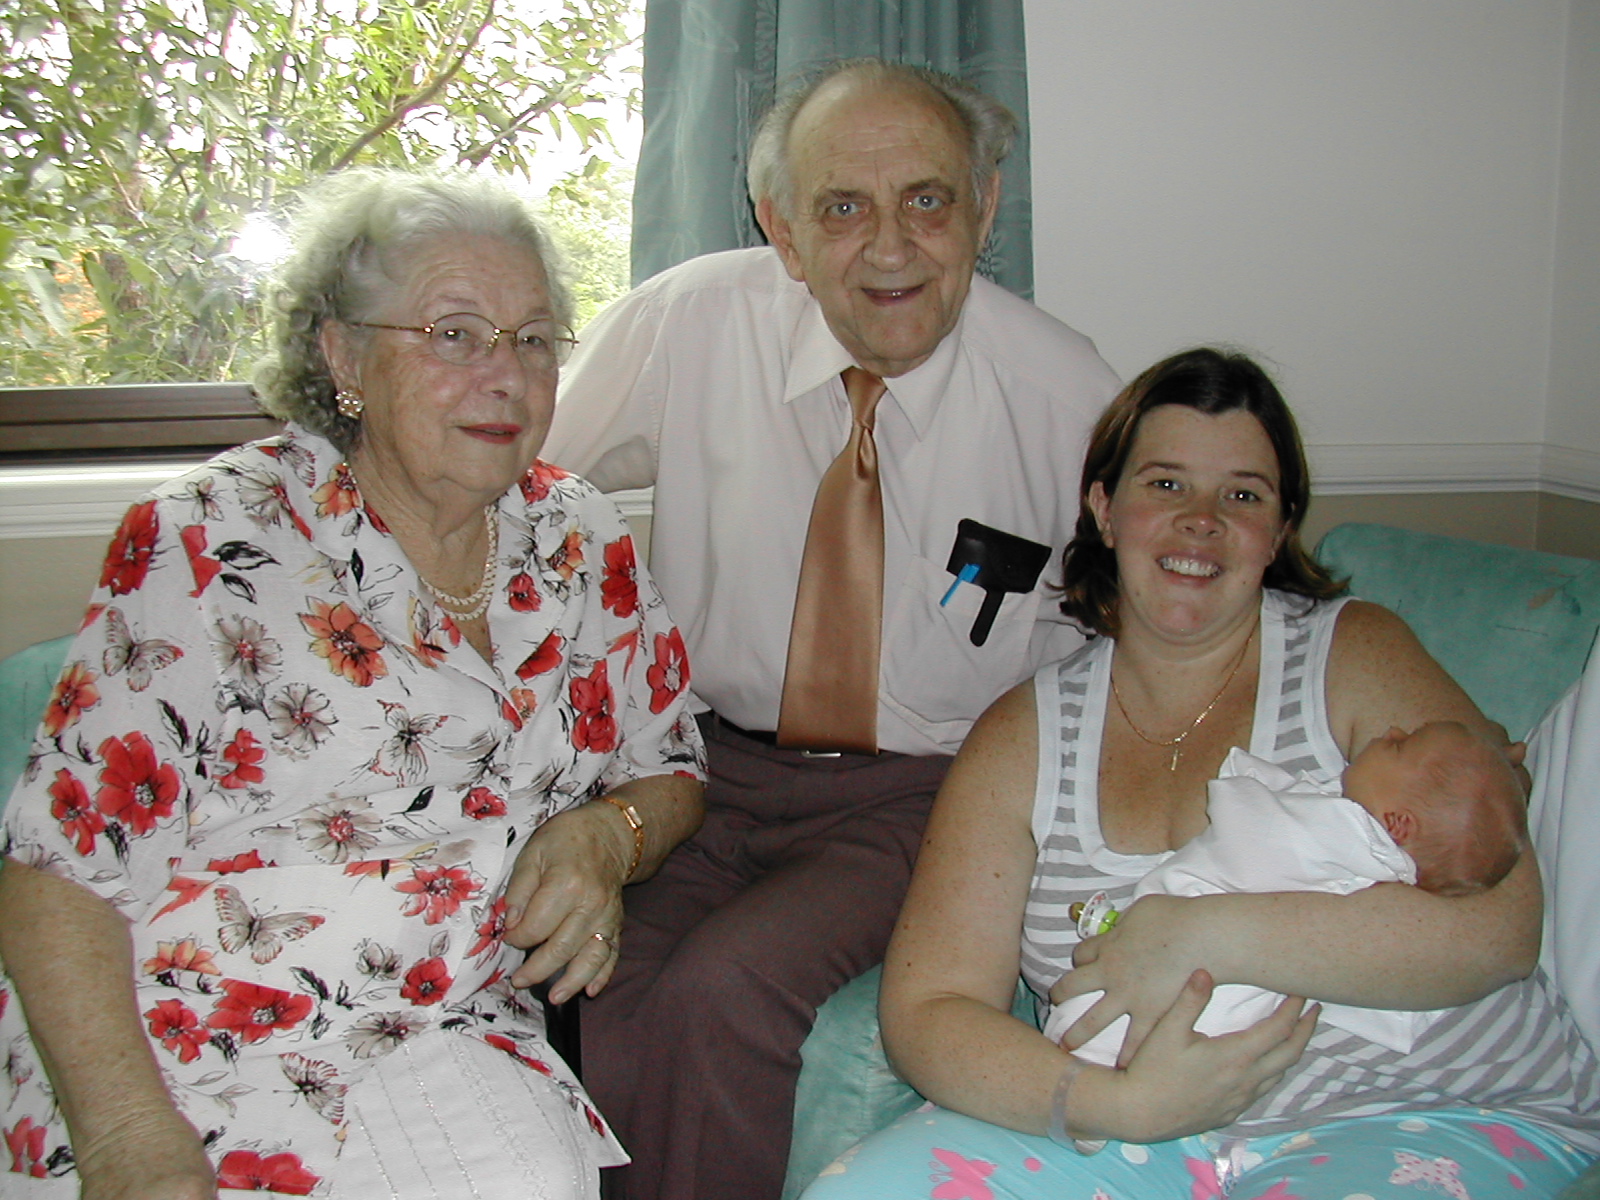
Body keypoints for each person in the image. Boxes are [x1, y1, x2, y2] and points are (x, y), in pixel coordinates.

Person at [0, 169, 707, 1200]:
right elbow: (53, 871)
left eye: (533, 338)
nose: (505, 375)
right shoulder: (209, 541)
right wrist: (125, 1137)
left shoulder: (582, 536)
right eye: (455, 334)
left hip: (440, 1028)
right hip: (175, 1042)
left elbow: (674, 767)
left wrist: (610, 837)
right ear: (343, 356)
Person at [801, 347, 1600, 1200]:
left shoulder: (1353, 654)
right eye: (1166, 485)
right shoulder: (1020, 737)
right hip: (1137, 1134)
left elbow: (1502, 930)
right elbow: (931, 1010)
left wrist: (1201, 935)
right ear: (1105, 510)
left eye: (1243, 496)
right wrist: (1118, 1102)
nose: (1202, 521)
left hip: (1422, 1110)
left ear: (1280, 529)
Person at [542, 58, 1121, 1200]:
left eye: (928, 199)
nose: (890, 247)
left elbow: (1167, 611)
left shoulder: (1068, 399)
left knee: (725, 989)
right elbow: (517, 479)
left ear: (986, 208)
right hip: (699, 767)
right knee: (589, 978)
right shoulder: (691, 321)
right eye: (843, 207)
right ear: (783, 228)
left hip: (924, 794)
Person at [1047, 722, 1529, 1063]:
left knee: (1116, 1024)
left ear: (1396, 824)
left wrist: (1246, 783)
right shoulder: (1382, 875)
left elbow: (1250, 825)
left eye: (1402, 748)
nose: (1394, 730)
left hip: (1194, 990)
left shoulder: (1341, 836)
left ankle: (1094, 1078)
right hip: (1209, 1015)